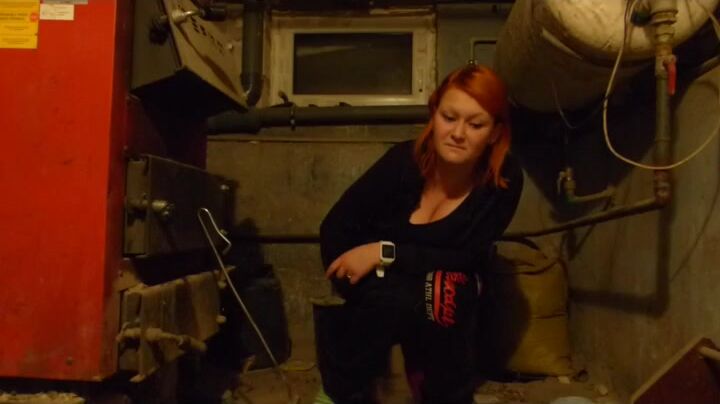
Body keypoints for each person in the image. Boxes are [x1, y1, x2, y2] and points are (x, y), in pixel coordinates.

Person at [315, 63, 524, 404]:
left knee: (445, 289)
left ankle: (442, 392)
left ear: (495, 132)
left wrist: (386, 252)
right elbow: (335, 227)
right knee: (391, 300)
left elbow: (467, 256)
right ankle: (339, 392)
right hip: (373, 278)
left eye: (475, 124)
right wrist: (359, 272)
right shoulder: (402, 162)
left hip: (442, 280)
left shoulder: (503, 180)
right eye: (449, 117)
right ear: (434, 114)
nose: (458, 133)